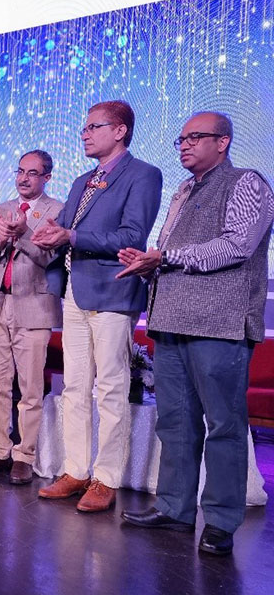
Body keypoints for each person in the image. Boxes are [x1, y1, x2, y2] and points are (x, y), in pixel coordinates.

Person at [117, 112, 274, 555]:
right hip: (170, 321)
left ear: (223, 142)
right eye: (181, 139)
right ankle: (174, 509)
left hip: (219, 323)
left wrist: (165, 257)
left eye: (195, 137)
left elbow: (237, 244)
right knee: (175, 423)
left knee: (224, 425)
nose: (184, 145)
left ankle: (221, 520)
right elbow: (169, 253)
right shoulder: (184, 189)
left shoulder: (246, 182)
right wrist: (148, 263)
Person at [31, 100, 162, 511]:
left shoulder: (143, 174)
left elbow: (132, 237)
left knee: (110, 389)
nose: (84, 134)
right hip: (76, 291)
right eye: (84, 127)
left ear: (120, 131)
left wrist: (70, 236)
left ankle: (106, 478)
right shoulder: (82, 181)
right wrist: (41, 232)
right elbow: (63, 229)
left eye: (93, 127)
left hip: (114, 292)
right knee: (74, 387)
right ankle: (75, 470)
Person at [0, 150, 63, 484]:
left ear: (47, 177)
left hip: (34, 307)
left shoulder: (58, 211)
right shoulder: (1, 209)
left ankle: (24, 455)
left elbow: (50, 259)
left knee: (30, 389)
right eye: (20, 171)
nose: (24, 178)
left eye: (32, 173)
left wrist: (22, 234)